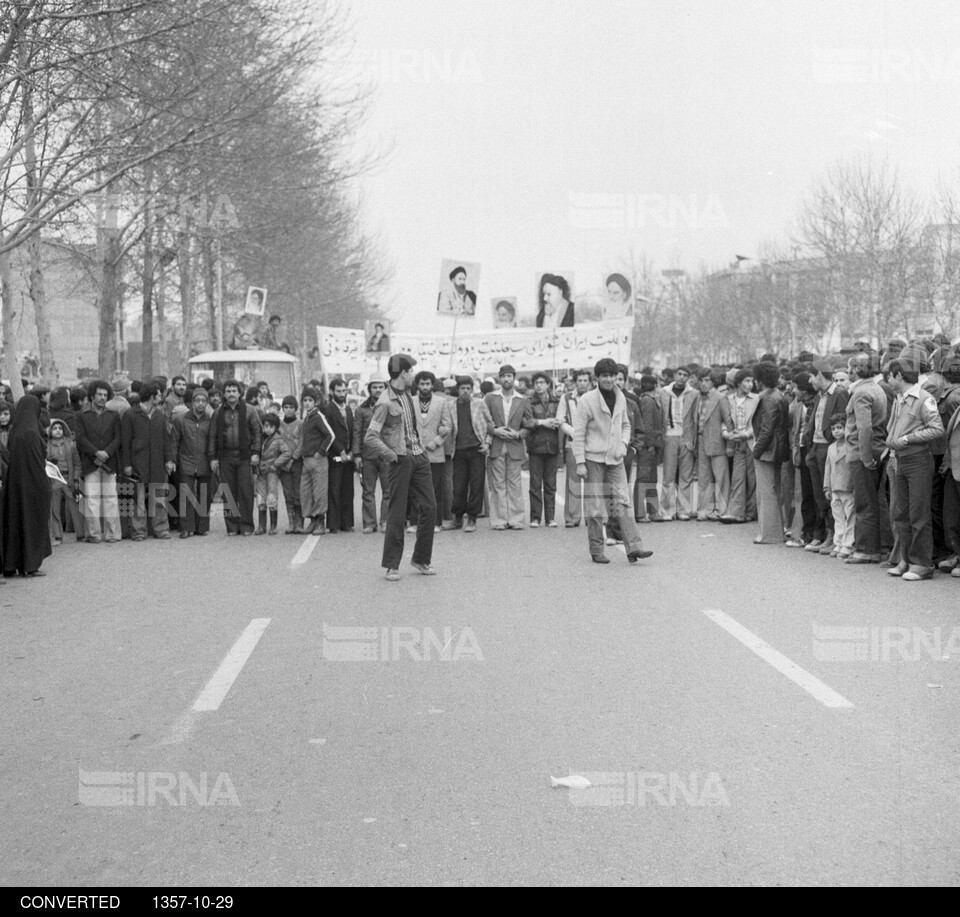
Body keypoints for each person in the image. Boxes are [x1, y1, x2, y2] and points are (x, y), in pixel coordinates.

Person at [572, 358, 652, 565]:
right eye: (604, 376)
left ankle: (634, 547)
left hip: (616, 458)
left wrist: (624, 444)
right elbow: (579, 433)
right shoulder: (587, 400)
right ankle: (597, 548)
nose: (609, 380)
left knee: (622, 502)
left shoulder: (621, 398)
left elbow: (626, 425)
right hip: (593, 458)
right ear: (596, 378)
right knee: (596, 505)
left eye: (612, 376)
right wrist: (580, 462)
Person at [364, 354, 437, 580]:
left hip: (419, 456)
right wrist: (391, 454)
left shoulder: (408, 396)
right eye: (411, 372)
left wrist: (422, 450)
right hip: (400, 460)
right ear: (403, 373)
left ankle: (421, 559)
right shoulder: (384, 402)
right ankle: (392, 566)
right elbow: (370, 436)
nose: (413, 376)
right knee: (397, 512)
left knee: (430, 507)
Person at [885, 358, 944, 580]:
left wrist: (908, 439)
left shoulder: (923, 399)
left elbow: (937, 429)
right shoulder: (899, 399)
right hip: (901, 460)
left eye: (890, 375)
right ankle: (906, 559)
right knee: (902, 513)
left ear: (899, 375)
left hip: (918, 460)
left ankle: (922, 564)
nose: (888, 380)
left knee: (918, 513)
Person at [843, 353, 888, 565]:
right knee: (872, 501)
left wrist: (865, 457)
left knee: (864, 502)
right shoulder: (876, 388)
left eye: (850, 368)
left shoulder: (861, 392)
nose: (848, 371)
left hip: (863, 454)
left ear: (856, 370)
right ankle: (873, 547)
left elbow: (864, 427)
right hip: (876, 449)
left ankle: (866, 549)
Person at [2, 395, 53, 577]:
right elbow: (36, 464)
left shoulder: (15, 432)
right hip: (32, 486)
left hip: (14, 485)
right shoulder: (32, 433)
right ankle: (30, 564)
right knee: (32, 523)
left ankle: (11, 564)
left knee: (15, 523)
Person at [803, 362, 850, 556]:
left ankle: (834, 535)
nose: (809, 381)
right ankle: (824, 533)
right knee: (819, 494)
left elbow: (842, 422)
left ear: (820, 375)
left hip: (829, 448)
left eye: (811, 376)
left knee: (830, 493)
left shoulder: (839, 394)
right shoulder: (818, 396)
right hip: (816, 448)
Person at [208, 379, 262, 536]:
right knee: (228, 493)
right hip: (225, 458)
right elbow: (212, 436)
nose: (231, 394)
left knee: (245, 493)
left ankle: (246, 526)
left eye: (234, 391)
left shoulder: (250, 410)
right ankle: (232, 527)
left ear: (240, 393)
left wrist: (256, 453)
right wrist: (212, 458)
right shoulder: (218, 412)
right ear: (224, 393)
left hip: (245, 457)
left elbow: (258, 433)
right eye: (228, 391)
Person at [483, 363, 532, 530]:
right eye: (503, 376)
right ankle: (499, 520)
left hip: (515, 445)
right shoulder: (490, 398)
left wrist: (518, 434)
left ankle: (516, 519)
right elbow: (482, 420)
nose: (506, 379)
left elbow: (529, 424)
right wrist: (495, 431)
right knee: (497, 484)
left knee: (515, 483)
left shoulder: (522, 399)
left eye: (509, 376)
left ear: (514, 378)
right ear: (499, 378)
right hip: (496, 445)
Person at [122, 381, 171, 541]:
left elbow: (166, 440)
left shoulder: (160, 416)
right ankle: (139, 532)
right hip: (138, 464)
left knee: (159, 500)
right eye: (158, 395)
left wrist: (169, 460)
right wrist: (127, 464)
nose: (160, 398)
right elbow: (126, 442)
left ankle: (161, 529)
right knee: (139, 501)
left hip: (157, 464)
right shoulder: (130, 415)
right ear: (151, 396)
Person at [76, 380, 122, 543]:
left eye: (105, 395)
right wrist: (96, 452)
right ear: (92, 396)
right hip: (91, 462)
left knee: (111, 499)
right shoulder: (82, 415)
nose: (103, 398)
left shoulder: (113, 415)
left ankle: (112, 534)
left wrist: (106, 453)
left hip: (109, 463)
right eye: (99, 395)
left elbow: (118, 438)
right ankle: (94, 534)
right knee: (92, 499)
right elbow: (80, 438)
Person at [751, 361, 789, 545]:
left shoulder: (768, 398)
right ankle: (772, 532)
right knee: (773, 490)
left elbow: (766, 429)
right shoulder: (777, 395)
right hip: (776, 449)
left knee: (766, 492)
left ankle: (770, 533)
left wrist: (756, 451)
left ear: (760, 380)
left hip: (768, 450)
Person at [410, 371, 451, 535]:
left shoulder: (442, 402)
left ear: (432, 385)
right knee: (415, 488)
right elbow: (405, 425)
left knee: (435, 489)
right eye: (422, 384)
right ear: (417, 385)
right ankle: (415, 522)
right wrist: (414, 443)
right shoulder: (410, 402)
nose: (425, 387)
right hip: (415, 451)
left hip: (435, 452)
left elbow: (448, 426)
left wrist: (436, 442)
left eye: (428, 384)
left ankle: (436, 522)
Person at [170, 387, 213, 538]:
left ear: (207, 403)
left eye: (203, 401)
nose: (200, 404)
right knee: (186, 494)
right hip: (186, 461)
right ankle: (186, 527)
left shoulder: (210, 420)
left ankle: (202, 527)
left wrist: (214, 459)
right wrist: (172, 460)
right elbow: (175, 441)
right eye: (197, 400)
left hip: (205, 462)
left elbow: (213, 442)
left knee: (204, 495)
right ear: (192, 402)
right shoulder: (181, 419)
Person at [720, 369, 759, 524]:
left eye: (752, 381)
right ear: (738, 383)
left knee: (752, 478)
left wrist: (747, 434)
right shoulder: (729, 400)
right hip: (736, 443)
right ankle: (737, 512)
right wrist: (725, 432)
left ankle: (750, 511)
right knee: (737, 478)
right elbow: (725, 420)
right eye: (746, 381)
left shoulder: (756, 399)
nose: (750, 384)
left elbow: (759, 423)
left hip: (751, 442)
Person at [660, 366, 699, 520]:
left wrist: (693, 440)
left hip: (686, 437)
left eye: (685, 375)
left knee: (686, 476)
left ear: (688, 378)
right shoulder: (664, 393)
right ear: (675, 375)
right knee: (668, 476)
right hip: (669, 436)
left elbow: (695, 419)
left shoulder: (693, 394)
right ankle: (667, 511)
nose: (682, 377)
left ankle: (683, 510)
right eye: (679, 374)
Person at [353, 374, 391, 534]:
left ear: (385, 388)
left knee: (388, 491)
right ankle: (369, 523)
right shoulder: (362, 409)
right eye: (374, 387)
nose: (377, 390)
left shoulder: (391, 406)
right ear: (369, 389)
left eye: (380, 387)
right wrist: (357, 455)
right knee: (368, 491)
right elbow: (356, 433)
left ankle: (386, 521)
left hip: (387, 455)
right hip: (367, 457)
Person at [450, 375, 488, 532]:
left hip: (476, 449)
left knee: (476, 484)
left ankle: (472, 518)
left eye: (468, 388)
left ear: (472, 390)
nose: (465, 391)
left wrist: (487, 443)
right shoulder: (450, 405)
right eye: (462, 388)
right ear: (457, 390)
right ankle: (458, 518)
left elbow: (491, 424)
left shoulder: (479, 404)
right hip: (458, 451)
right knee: (458, 486)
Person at [296, 386, 335, 535]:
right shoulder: (307, 417)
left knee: (319, 492)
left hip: (318, 460)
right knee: (306, 492)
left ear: (316, 401)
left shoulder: (318, 416)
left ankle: (320, 522)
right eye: (304, 400)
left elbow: (330, 435)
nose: (306, 403)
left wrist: (321, 452)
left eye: (310, 400)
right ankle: (312, 520)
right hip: (306, 460)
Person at [694, 369, 733, 521]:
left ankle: (723, 509)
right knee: (703, 477)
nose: (704, 384)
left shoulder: (721, 397)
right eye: (702, 380)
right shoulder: (698, 398)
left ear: (714, 382)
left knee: (721, 477)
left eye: (707, 380)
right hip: (702, 440)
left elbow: (728, 421)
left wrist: (730, 443)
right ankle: (704, 509)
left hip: (718, 441)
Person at [525, 371, 561, 527]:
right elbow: (526, 421)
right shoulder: (529, 402)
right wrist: (541, 422)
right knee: (535, 484)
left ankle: (550, 517)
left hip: (552, 446)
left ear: (548, 384)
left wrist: (557, 422)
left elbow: (563, 418)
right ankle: (535, 517)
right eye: (536, 383)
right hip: (536, 446)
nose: (538, 385)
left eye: (541, 382)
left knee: (551, 484)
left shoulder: (557, 402)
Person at [557, 369, 592, 527]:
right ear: (575, 382)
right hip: (572, 443)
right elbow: (560, 419)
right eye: (580, 381)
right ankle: (573, 517)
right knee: (573, 481)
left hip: (592, 444)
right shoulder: (566, 398)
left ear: (590, 382)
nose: (583, 383)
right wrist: (574, 432)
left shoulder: (595, 397)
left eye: (586, 381)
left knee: (594, 481)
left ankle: (594, 517)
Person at [322, 378, 357, 534]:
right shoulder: (327, 409)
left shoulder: (349, 409)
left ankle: (347, 523)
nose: (342, 394)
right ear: (331, 392)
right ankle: (334, 524)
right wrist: (341, 451)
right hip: (334, 456)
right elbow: (328, 433)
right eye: (339, 391)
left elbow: (353, 431)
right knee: (334, 490)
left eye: (344, 391)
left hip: (348, 457)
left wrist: (351, 452)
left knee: (348, 490)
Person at [823, 413, 855, 559]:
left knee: (850, 516)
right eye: (833, 428)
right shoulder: (830, 448)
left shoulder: (851, 445)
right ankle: (839, 542)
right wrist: (826, 487)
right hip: (835, 487)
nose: (836, 431)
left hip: (847, 486)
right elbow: (827, 468)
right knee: (838, 516)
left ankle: (848, 544)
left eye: (839, 427)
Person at [46, 419, 82, 546]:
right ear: (49, 431)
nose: (58, 431)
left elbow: (77, 464)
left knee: (75, 505)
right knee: (54, 508)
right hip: (54, 478)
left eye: (60, 428)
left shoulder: (70, 444)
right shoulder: (46, 445)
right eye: (54, 428)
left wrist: (76, 478)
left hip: (69, 478)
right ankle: (57, 535)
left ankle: (81, 533)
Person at [634, 374, 664, 522]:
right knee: (644, 478)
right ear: (655, 385)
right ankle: (640, 513)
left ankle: (653, 512)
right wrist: (650, 443)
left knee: (651, 478)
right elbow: (647, 425)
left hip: (651, 445)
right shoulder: (647, 401)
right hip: (648, 446)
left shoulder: (648, 400)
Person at [255, 413, 292, 535]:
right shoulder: (260, 439)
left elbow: (287, 453)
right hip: (260, 471)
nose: (267, 429)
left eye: (270, 426)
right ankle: (261, 526)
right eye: (265, 426)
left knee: (272, 496)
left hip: (272, 472)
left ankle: (273, 526)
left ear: (276, 427)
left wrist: (275, 464)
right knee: (260, 497)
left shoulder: (278, 440)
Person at [278, 395, 304, 534]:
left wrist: (293, 458)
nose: (288, 410)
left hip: (297, 462)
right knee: (287, 493)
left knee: (298, 492)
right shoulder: (279, 425)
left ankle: (299, 523)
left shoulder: (300, 424)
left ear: (296, 409)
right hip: (283, 464)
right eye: (286, 407)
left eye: (291, 407)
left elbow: (302, 443)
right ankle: (291, 523)